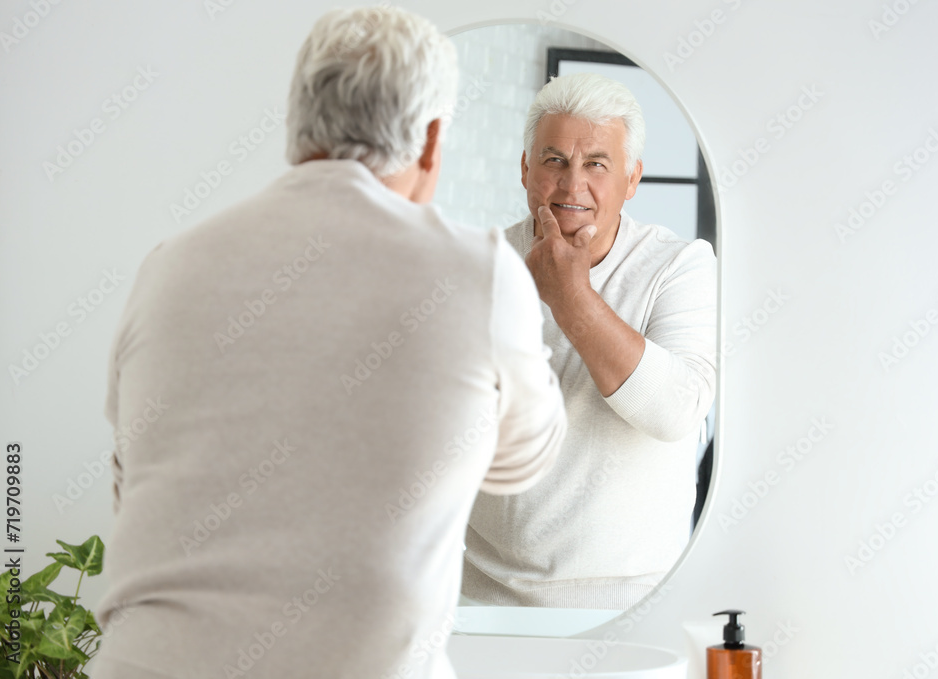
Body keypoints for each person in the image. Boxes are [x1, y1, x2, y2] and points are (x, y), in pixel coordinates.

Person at [91, 7, 566, 678]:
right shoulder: (479, 271)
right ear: (433, 140)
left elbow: (133, 482)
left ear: (296, 123)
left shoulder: (168, 266)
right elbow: (524, 461)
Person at [463, 72, 717, 609]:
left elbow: (676, 412)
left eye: (596, 164)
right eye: (554, 160)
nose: (572, 185)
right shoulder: (475, 265)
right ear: (527, 169)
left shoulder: (679, 266)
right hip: (480, 594)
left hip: (629, 600)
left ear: (632, 179)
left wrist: (570, 295)